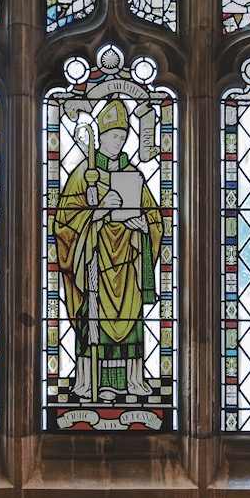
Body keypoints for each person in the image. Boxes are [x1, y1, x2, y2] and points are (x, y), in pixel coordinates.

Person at [53, 99, 163, 400]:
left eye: (124, 136)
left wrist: (143, 225)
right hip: (94, 263)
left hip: (127, 263)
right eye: (115, 136)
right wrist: (99, 211)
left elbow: (154, 219)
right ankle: (90, 383)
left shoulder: (133, 175)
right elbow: (63, 224)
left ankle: (133, 382)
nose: (120, 141)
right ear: (100, 136)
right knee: (94, 322)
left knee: (131, 320)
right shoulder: (82, 175)